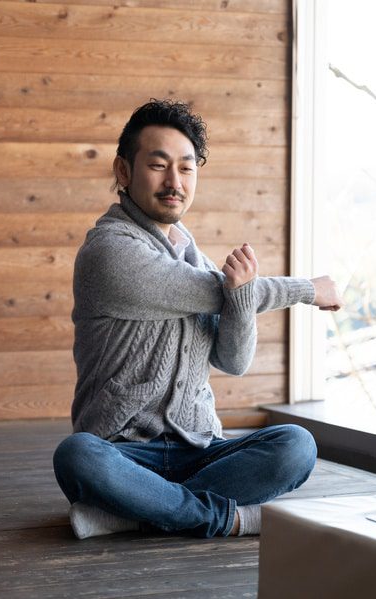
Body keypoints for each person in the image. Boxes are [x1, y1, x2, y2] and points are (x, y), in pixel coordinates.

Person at [53, 100, 343, 539]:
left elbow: (233, 360)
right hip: (125, 452)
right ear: (123, 171)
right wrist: (308, 289)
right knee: (77, 455)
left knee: (295, 445)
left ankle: (135, 513)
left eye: (186, 169)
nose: (174, 182)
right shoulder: (109, 251)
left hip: (201, 448)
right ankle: (228, 518)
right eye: (158, 165)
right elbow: (210, 292)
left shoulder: (195, 257)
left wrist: (240, 296)